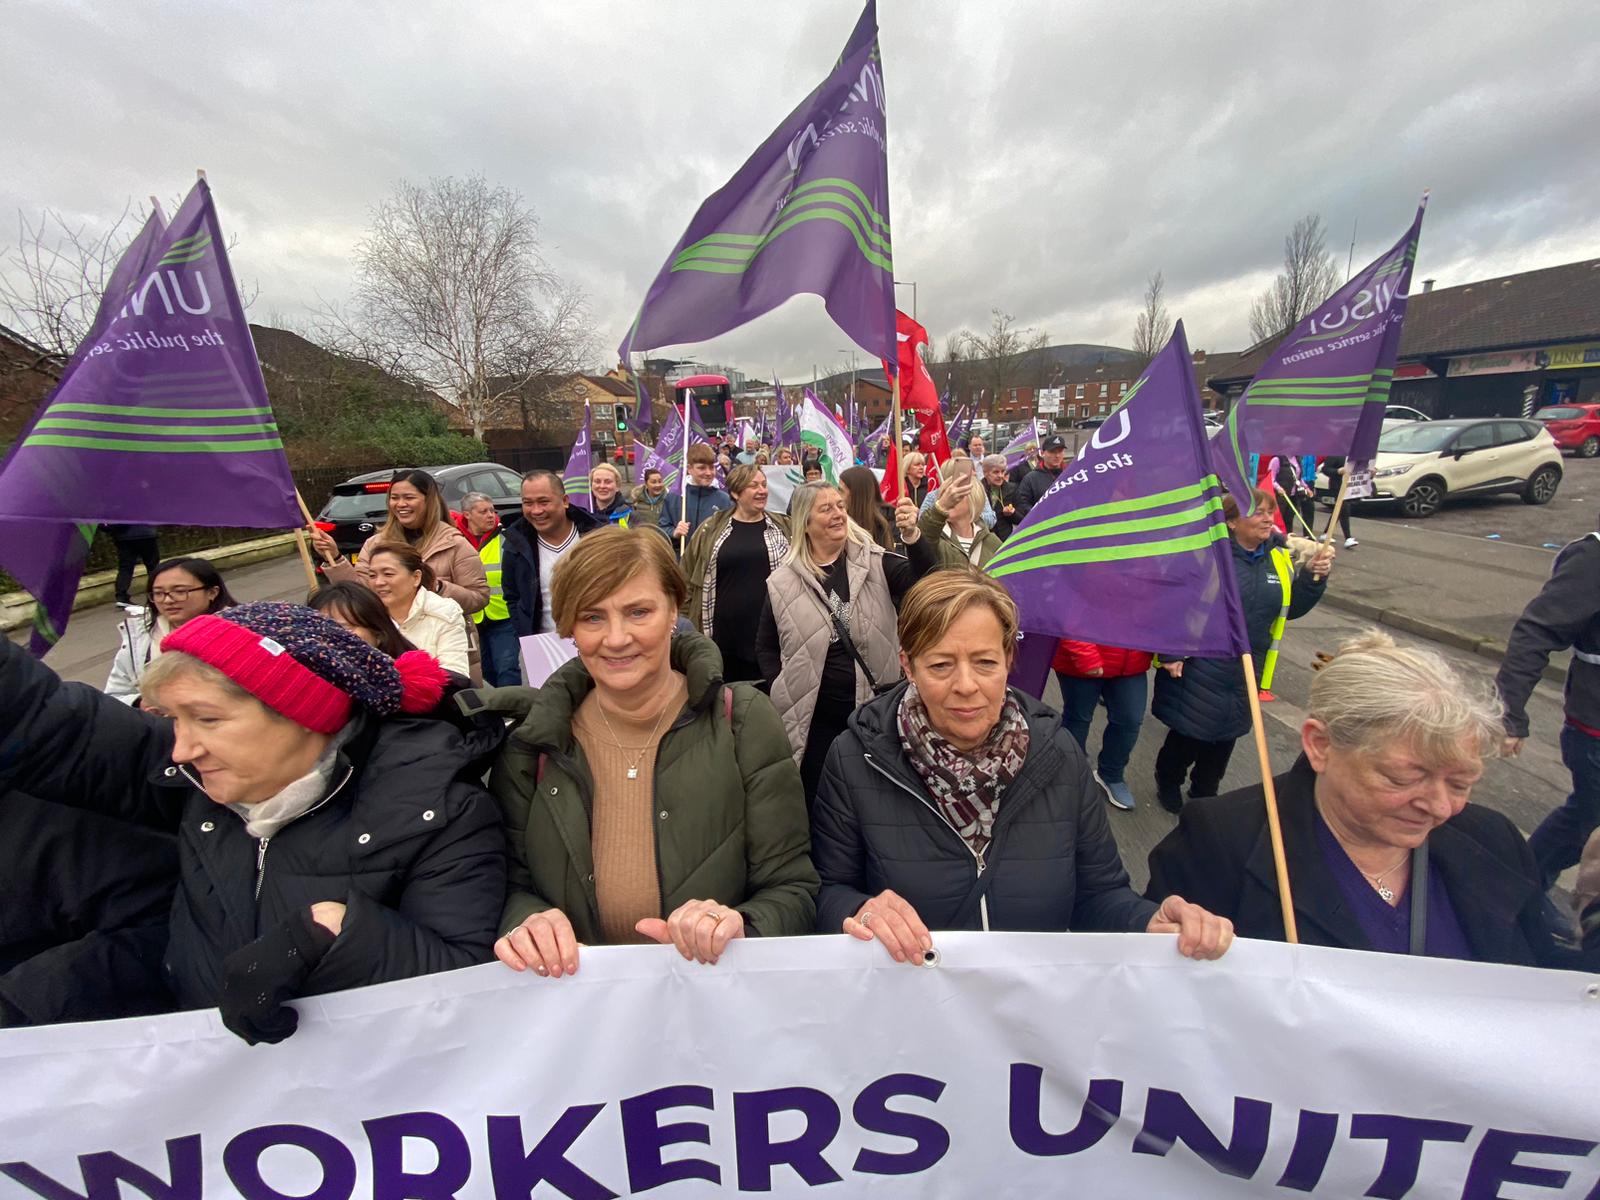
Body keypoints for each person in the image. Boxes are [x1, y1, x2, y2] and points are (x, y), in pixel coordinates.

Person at [0, 603, 506, 1041]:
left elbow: (467, 993)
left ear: (304, 712)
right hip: (222, 1089)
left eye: (207, 719)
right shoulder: (198, 783)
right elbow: (51, 721)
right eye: (174, 720)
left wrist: (336, 933)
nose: (182, 749)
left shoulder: (440, 809)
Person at [811, 571, 1233, 959]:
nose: (966, 685)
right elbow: (828, 892)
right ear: (909, 666)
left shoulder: (1060, 754)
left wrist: (1147, 922)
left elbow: (1099, 894)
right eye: (940, 665)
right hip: (913, 1000)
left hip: (1031, 1006)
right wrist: (860, 911)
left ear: (1009, 658)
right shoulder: (855, 760)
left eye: (985, 662)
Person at [483, 526, 818, 976]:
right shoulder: (532, 743)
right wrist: (526, 921)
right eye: (592, 617)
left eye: (638, 612)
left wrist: (742, 925)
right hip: (579, 1004)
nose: (616, 638)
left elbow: (793, 888)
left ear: (674, 609)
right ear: (569, 627)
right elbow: (507, 885)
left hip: (712, 997)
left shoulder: (743, 722)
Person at [1146, 631, 1563, 967]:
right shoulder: (1221, 840)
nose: (1440, 807)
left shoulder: (1495, 840)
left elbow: (1548, 980)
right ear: (1320, 745)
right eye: (1403, 778)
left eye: (1460, 783)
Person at [1151, 487, 1333, 810]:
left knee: (1226, 737)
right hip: (1202, 662)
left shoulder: (1278, 558)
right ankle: (1168, 780)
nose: (1267, 519)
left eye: (1270, 512)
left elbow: (1289, 607)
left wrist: (1312, 580)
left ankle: (1205, 792)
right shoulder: (1206, 554)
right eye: (1258, 512)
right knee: (1191, 731)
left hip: (1247, 665)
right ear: (1232, 522)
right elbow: (1173, 603)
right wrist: (1171, 652)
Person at [757, 481, 935, 804]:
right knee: (820, 801)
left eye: (840, 505)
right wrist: (781, 686)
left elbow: (926, 580)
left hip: (873, 715)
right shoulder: (782, 582)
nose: (838, 513)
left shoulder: (875, 563)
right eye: (826, 509)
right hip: (814, 725)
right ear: (805, 523)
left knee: (873, 800)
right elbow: (766, 645)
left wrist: (913, 536)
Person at [1497, 526, 1600, 890]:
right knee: (1587, 823)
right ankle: (1519, 889)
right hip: (1594, 730)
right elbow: (1536, 632)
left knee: (1586, 819)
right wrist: (1510, 712)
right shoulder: (1592, 559)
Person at [313, 469, 489, 619]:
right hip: (391, 638)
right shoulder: (375, 544)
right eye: (394, 498)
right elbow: (359, 594)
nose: (401, 504)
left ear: (429, 501)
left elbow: (478, 598)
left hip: (440, 640)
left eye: (409, 497)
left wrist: (438, 587)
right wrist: (335, 557)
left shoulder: (455, 544)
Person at [682, 465, 791, 683]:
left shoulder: (784, 527)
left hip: (771, 636)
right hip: (724, 636)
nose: (762, 490)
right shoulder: (711, 529)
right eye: (754, 485)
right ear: (735, 492)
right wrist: (684, 621)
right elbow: (686, 578)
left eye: (764, 484)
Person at [105, 557, 237, 704]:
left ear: (212, 592)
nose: (167, 600)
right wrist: (140, 703)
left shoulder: (240, 631)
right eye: (158, 593)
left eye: (180, 591)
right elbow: (115, 695)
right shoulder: (140, 635)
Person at [1052, 636, 1153, 812]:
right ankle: (1071, 774)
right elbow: (1067, 619)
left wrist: (1170, 654)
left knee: (1129, 720)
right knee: (1077, 719)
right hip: (1083, 658)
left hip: (1132, 661)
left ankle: (1110, 775)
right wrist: (1086, 655)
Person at [502, 469, 603, 637]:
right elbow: (512, 596)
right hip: (545, 646)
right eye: (528, 503)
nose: (536, 511)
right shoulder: (515, 546)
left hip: (599, 640)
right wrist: (525, 633)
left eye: (543, 502)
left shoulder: (597, 537)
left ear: (565, 501)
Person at [364, 542, 471, 676]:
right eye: (372, 576)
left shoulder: (444, 613)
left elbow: (455, 674)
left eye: (388, 574)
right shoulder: (363, 617)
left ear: (416, 577)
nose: (379, 582)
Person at [456, 493, 519, 686]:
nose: (491, 515)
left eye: (492, 511)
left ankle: (512, 705)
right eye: (483, 512)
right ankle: (494, 705)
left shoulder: (506, 538)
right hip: (471, 619)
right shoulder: (456, 541)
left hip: (503, 615)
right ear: (467, 514)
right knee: (484, 673)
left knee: (507, 668)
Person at [916, 461, 1001, 570]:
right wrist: (940, 508)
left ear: (973, 499)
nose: (948, 500)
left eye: (956, 495)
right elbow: (922, 541)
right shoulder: (936, 539)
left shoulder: (992, 542)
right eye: (943, 496)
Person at [307, 581, 416, 657]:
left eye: (341, 628)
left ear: (379, 634)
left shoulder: (411, 677)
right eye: (320, 630)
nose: (329, 639)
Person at [661, 444, 732, 545]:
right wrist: (673, 532)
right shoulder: (675, 497)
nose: (708, 473)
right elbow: (662, 529)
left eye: (711, 467)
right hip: (681, 554)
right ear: (689, 469)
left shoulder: (724, 500)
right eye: (702, 468)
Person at [103, 523, 162, 611]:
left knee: (125, 568)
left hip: (124, 536)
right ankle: (158, 592)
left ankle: (121, 597)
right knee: (152, 566)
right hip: (146, 534)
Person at [839, 464, 895, 551]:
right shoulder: (839, 521)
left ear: (856, 494)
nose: (837, 496)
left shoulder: (887, 524)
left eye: (841, 491)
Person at [1013, 435, 1068, 520]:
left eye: (1060, 451)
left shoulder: (1071, 474)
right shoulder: (1031, 479)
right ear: (1042, 453)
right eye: (1052, 452)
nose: (1057, 455)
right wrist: (1039, 516)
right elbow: (1022, 504)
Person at [980, 453, 1021, 540]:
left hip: (1005, 540)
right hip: (983, 539)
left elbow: (1021, 519)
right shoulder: (978, 489)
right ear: (985, 473)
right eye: (996, 472)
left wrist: (1012, 513)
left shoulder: (1012, 489)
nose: (1000, 476)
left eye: (1003, 471)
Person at [1319, 455, 1356, 547]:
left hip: (1351, 486)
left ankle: (1326, 533)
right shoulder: (1337, 454)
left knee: (1338, 510)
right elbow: (1325, 469)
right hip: (1337, 486)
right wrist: (1337, 471)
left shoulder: (1357, 454)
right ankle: (1348, 538)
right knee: (1344, 509)